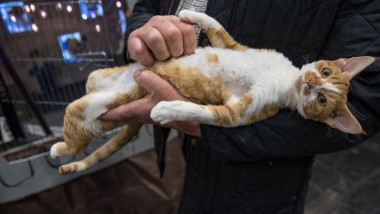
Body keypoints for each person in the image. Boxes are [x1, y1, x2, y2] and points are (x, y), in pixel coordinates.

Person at [101, 0, 380, 213]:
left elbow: (365, 101)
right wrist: (140, 36)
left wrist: (197, 122)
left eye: (321, 96)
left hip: (263, 171)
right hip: (186, 149)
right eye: (326, 76)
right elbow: (148, 6)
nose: (311, 81)